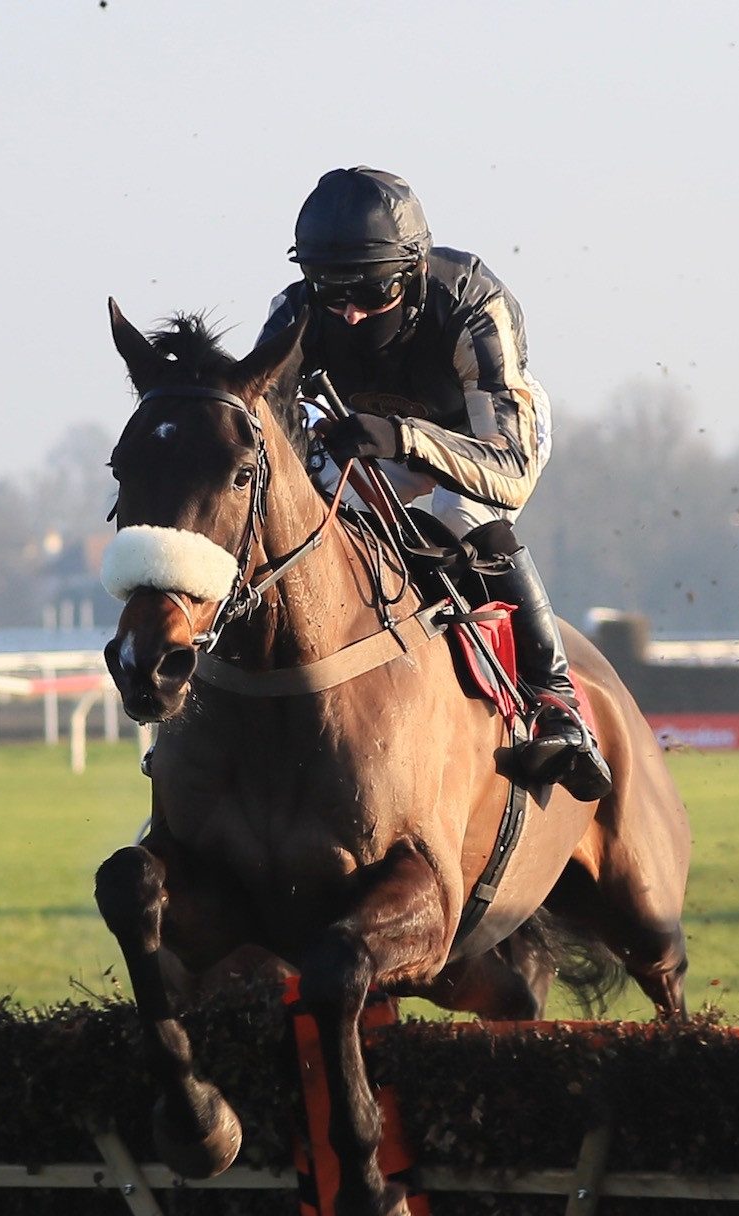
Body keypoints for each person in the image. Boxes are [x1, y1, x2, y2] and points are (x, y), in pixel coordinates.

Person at [256, 166, 612, 801]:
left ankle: (558, 701)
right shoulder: (296, 314)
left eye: (372, 290)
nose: (352, 313)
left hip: (481, 439)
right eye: (331, 293)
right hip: (363, 439)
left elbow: (508, 465)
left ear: (415, 267)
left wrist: (402, 437)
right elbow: (265, 442)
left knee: (464, 520)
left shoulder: (474, 302)